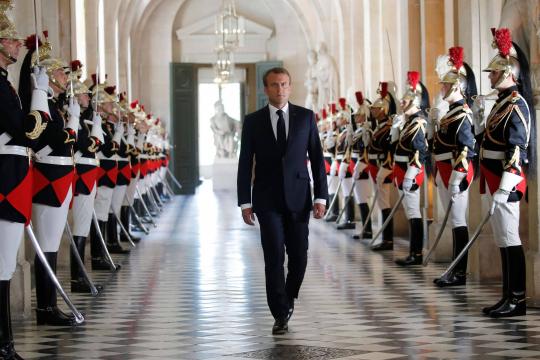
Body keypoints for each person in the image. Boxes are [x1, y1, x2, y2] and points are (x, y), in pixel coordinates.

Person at [237, 67, 328, 335]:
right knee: (274, 256)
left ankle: (288, 297)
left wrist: (321, 196)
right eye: (275, 85)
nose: (281, 89)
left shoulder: (306, 117)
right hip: (266, 199)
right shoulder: (253, 121)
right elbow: (245, 163)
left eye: (285, 84)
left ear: (290, 86)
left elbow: (318, 159)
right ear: (266, 90)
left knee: (299, 256)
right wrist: (245, 201)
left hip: (300, 199)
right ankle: (279, 312)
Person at [19, 32, 81, 326]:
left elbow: (64, 139)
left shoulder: (53, 105)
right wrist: (68, 130)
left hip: (60, 175)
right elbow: (49, 139)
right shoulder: (40, 101)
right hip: (48, 178)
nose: (61, 76)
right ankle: (45, 308)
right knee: (46, 245)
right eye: (57, 71)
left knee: (52, 244)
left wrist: (67, 130)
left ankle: (49, 304)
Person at [0, 4, 50, 356]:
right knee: (1, 267)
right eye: (12, 41)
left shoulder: (5, 85)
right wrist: (40, 95)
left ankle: (4, 342)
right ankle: (3, 344)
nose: (18, 47)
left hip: (12, 175)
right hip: (6, 179)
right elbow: (27, 130)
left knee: (3, 266)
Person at [476, 28, 533, 318]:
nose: (489, 76)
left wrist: (504, 187)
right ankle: (506, 295)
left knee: (511, 238)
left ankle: (518, 299)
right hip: (494, 179)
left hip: (506, 181)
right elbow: (485, 141)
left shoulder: (516, 104)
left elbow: (517, 148)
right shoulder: (499, 104)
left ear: (508, 74)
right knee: (501, 238)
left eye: (494, 73)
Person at [431, 47, 477, 287]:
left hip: (455, 173)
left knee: (459, 221)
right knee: (454, 221)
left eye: (446, 86)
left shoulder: (462, 114)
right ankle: (454, 268)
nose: (442, 89)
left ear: (457, 87)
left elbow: (466, 150)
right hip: (444, 171)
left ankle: (459, 272)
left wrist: (457, 177)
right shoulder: (450, 114)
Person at [69, 60, 105, 292]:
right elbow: (87, 145)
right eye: (82, 94)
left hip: (88, 172)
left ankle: (80, 277)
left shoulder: (83, 119)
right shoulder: (75, 119)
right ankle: (77, 279)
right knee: (80, 226)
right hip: (80, 173)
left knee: (83, 225)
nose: (87, 98)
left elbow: (96, 144)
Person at [393, 72, 429, 266]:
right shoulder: (407, 123)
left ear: (415, 102)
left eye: (405, 102)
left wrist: (410, 175)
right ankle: (413, 252)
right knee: (409, 212)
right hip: (401, 170)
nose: (402, 105)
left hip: (410, 173)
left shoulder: (418, 123)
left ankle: (416, 253)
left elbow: (419, 153)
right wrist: (394, 129)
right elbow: (396, 146)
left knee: (414, 213)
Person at [367, 82, 397, 250]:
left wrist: (385, 169)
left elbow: (390, 152)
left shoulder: (388, 127)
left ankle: (388, 240)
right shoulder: (378, 126)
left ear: (383, 110)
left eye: (375, 108)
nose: (372, 111)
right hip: (376, 165)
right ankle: (386, 238)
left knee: (384, 202)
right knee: (381, 201)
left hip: (383, 166)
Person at [351, 91, 374, 240]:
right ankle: (366, 228)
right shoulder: (359, 130)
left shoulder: (366, 130)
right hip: (358, 167)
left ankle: (368, 229)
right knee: (360, 199)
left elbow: (366, 151)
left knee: (363, 200)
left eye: (359, 114)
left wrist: (359, 167)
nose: (356, 117)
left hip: (363, 168)